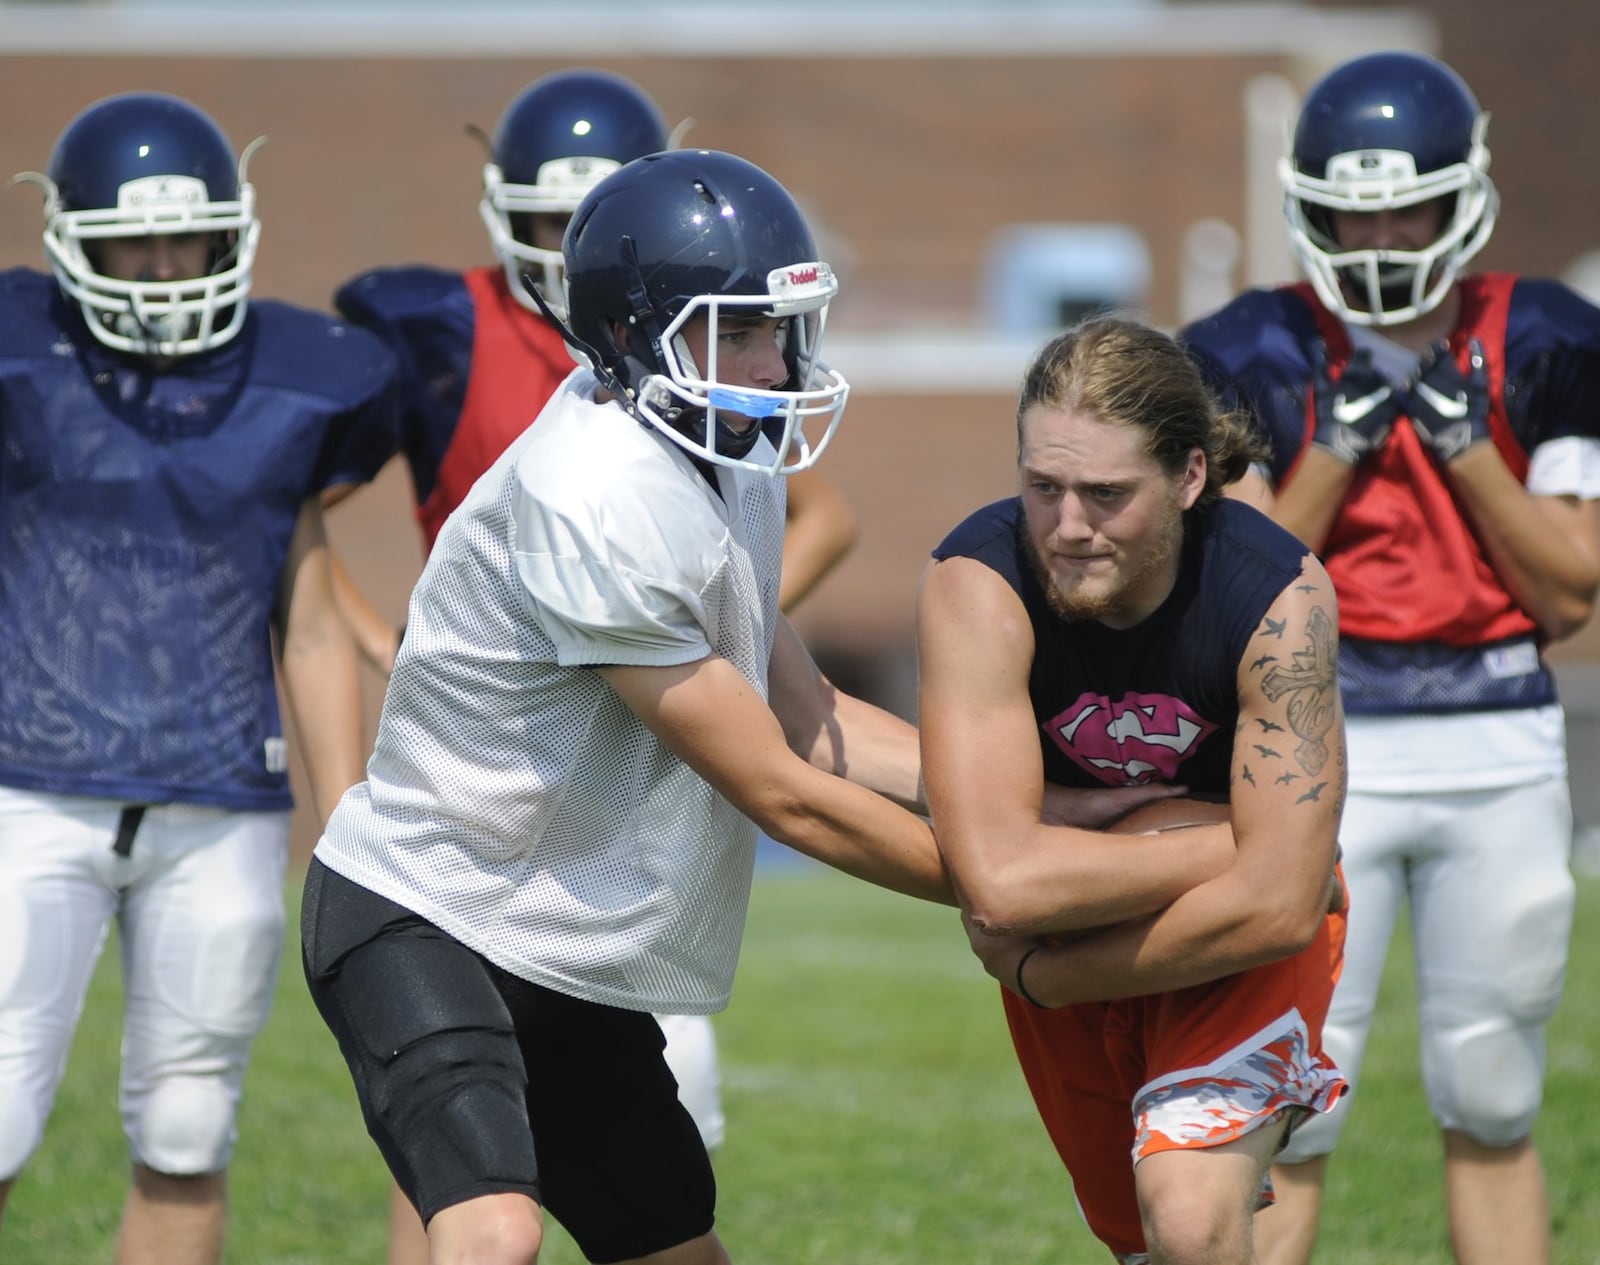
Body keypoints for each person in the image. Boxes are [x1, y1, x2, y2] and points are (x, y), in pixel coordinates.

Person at [300, 147, 951, 1265]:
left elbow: (811, 715)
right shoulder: (592, 490)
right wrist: (1004, 885)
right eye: (731, 328)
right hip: (427, 904)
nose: (768, 359)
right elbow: (781, 790)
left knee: (673, 1249)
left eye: (775, 326)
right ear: (629, 333)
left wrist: (1025, 797)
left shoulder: (721, 451)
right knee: (493, 1231)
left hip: (563, 934)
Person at [1180, 50, 1600, 1265]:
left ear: (1458, 195)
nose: (1375, 231)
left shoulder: (1551, 335)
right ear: (1308, 200)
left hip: (1499, 732)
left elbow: (1568, 591)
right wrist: (1339, 448)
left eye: (1400, 203)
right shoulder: (1249, 343)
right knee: (1295, 1100)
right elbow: (1239, 580)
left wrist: (1466, 448)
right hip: (1316, 740)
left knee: (1491, 1088)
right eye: (1351, 206)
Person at [0, 92, 397, 1265]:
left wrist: (347, 831)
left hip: (220, 794)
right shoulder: (24, 352)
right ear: (70, 234)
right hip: (29, 783)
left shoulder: (301, 377)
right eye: (136, 240)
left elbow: (312, 623)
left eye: (190, 238)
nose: (167, 267)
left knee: (188, 1123)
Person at [918, 316, 1350, 1265]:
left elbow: (1282, 907)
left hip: (1220, 940)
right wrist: (1238, 848)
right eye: (1044, 488)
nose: (1068, 527)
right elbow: (997, 880)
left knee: (1190, 1217)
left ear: (1191, 477)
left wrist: (1046, 972)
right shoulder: (975, 579)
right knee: (1144, 1245)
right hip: (1094, 921)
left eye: (1107, 495)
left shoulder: (1276, 596)